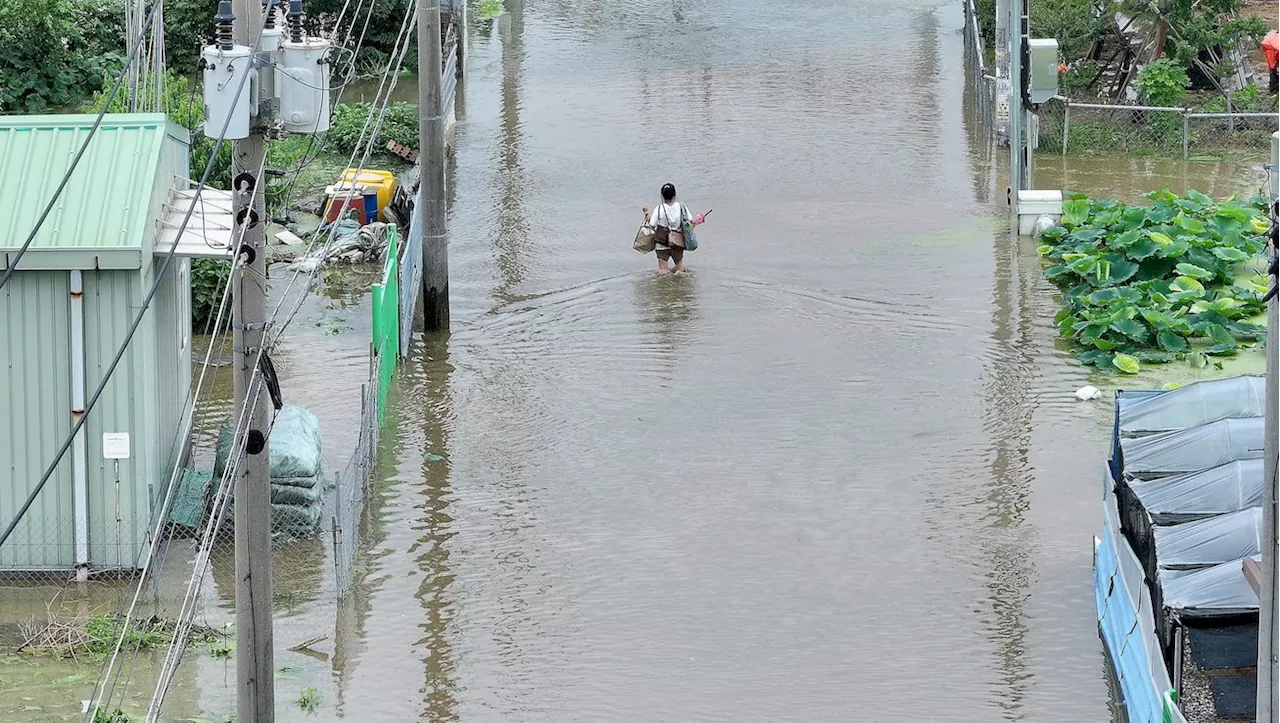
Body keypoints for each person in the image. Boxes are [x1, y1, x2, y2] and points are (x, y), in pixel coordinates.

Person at [641, 183, 704, 276]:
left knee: (662, 270)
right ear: (675, 194)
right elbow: (691, 220)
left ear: (662, 195)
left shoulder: (659, 208)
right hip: (677, 242)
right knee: (680, 268)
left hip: (662, 243)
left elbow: (652, 225)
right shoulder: (681, 207)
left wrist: (646, 213)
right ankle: (676, 281)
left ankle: (666, 283)